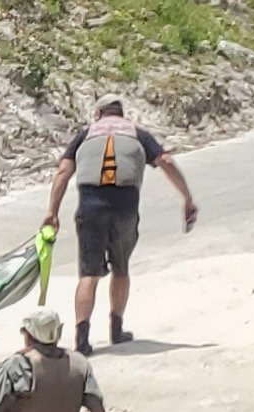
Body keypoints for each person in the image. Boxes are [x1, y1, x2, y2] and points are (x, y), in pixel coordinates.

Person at [38, 98, 197, 352]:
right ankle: (116, 329)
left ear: (98, 114)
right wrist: (187, 197)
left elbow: (63, 172)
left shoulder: (84, 135)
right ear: (122, 114)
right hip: (125, 205)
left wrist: (52, 212)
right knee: (121, 268)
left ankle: (82, 339)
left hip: (91, 206)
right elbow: (165, 161)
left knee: (88, 274)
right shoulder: (138, 133)